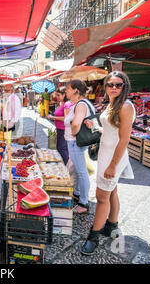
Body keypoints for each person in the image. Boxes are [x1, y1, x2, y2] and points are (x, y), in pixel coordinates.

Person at [81, 71, 135, 255]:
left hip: (114, 157)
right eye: (110, 84)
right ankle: (112, 226)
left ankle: (93, 236)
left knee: (102, 197)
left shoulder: (126, 106)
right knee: (112, 192)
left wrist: (112, 165)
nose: (113, 87)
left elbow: (124, 139)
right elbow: (111, 131)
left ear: (124, 86)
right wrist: (95, 127)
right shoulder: (113, 104)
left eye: (118, 84)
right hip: (106, 154)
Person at [63, 79, 96, 214]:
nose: (66, 91)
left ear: (76, 90)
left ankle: (83, 202)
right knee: (77, 170)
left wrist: (74, 134)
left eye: (68, 88)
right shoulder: (82, 103)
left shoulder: (81, 105)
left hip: (75, 142)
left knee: (82, 172)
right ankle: (77, 193)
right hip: (76, 142)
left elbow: (76, 124)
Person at [46, 86, 73, 165]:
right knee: (60, 148)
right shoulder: (62, 104)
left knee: (62, 149)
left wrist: (52, 117)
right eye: (56, 95)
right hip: (59, 129)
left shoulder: (67, 104)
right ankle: (62, 165)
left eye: (58, 95)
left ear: (64, 95)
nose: (56, 97)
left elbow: (66, 118)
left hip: (63, 130)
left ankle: (66, 166)